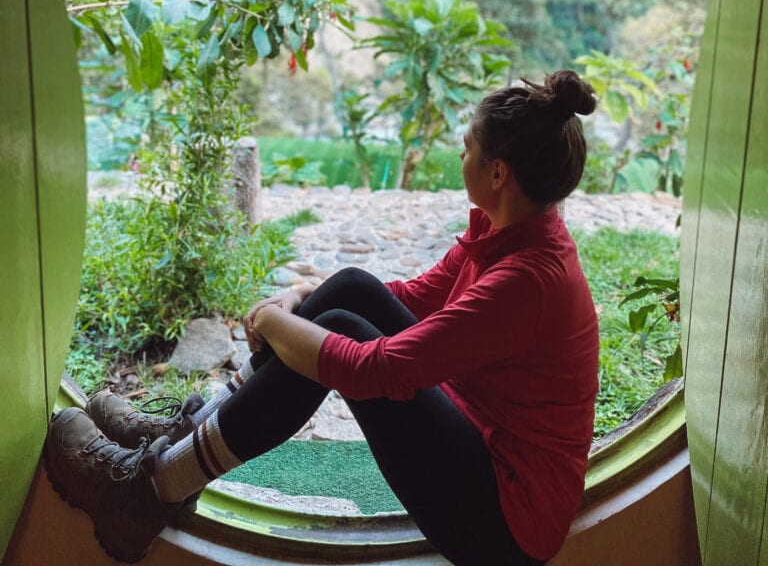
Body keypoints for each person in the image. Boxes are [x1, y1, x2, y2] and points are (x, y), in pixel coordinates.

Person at [44, 69, 600, 566]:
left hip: (504, 525)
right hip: (478, 442)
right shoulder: (505, 235)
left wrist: (271, 319)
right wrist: (301, 295)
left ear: (497, 172)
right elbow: (411, 296)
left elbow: (372, 370)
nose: (461, 158)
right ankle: (184, 438)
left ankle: (147, 491)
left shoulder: (528, 279)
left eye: (467, 148)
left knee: (340, 332)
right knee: (353, 288)